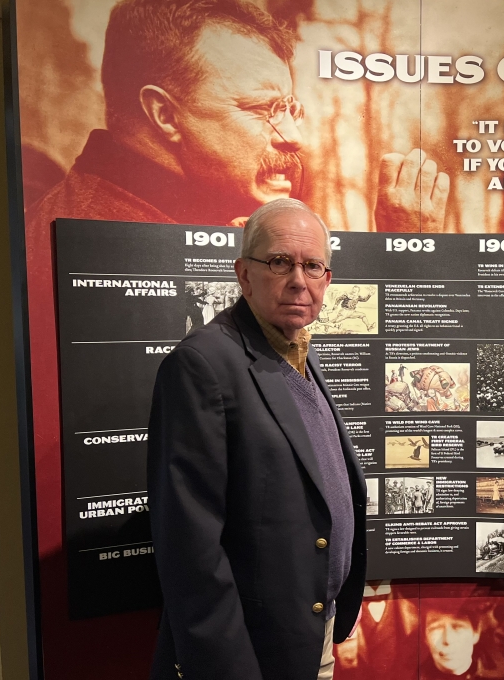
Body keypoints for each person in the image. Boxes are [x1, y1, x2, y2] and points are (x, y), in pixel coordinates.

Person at [147, 199, 366, 680]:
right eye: (280, 262)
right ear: (244, 274)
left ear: (327, 280)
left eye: (312, 266)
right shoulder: (202, 365)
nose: (298, 280)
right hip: (249, 648)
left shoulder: (295, 351)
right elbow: (190, 550)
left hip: (309, 630)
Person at [27, 0, 447, 231]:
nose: (293, 136)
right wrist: (407, 258)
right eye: (263, 109)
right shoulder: (103, 245)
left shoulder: (172, 219)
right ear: (164, 115)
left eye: (290, 109)